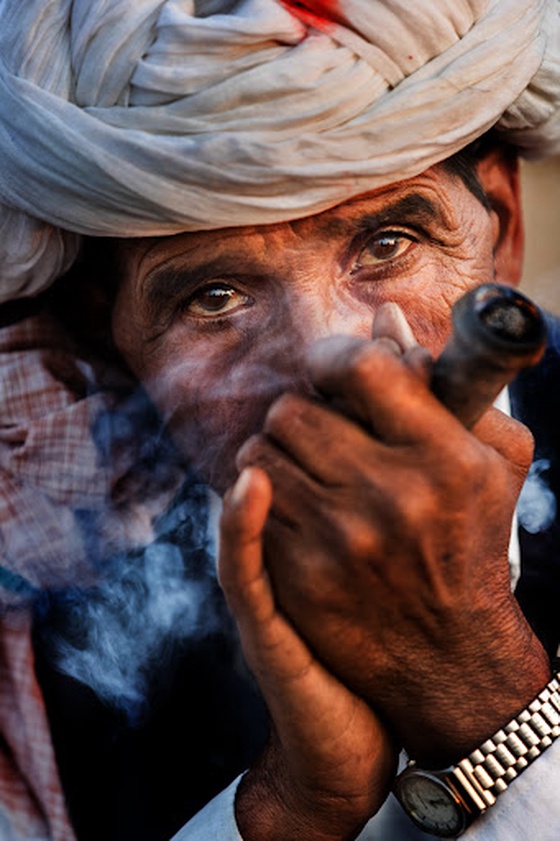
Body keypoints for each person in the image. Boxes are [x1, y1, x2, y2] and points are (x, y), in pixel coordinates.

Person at [0, 1, 559, 840]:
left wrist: (475, 686)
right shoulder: (44, 637)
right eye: (213, 298)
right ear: (108, 341)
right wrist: (292, 808)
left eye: (387, 244)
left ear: (501, 241)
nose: (325, 359)